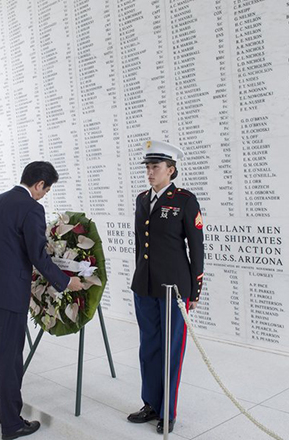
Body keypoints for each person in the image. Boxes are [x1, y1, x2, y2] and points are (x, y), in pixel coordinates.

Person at [0, 161, 84, 440]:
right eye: (46, 189)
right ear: (39, 184)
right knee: (8, 359)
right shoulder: (32, 208)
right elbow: (37, 255)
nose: (45, 195)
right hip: (8, 293)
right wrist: (67, 281)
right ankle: (12, 424)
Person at [127, 140, 204, 434]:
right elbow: (139, 244)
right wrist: (139, 276)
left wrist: (194, 290)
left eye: (155, 167)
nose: (150, 172)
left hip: (174, 288)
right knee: (148, 347)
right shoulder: (141, 199)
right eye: (147, 167)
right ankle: (150, 404)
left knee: (171, 350)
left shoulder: (185, 200)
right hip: (145, 286)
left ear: (171, 170)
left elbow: (196, 247)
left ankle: (168, 412)